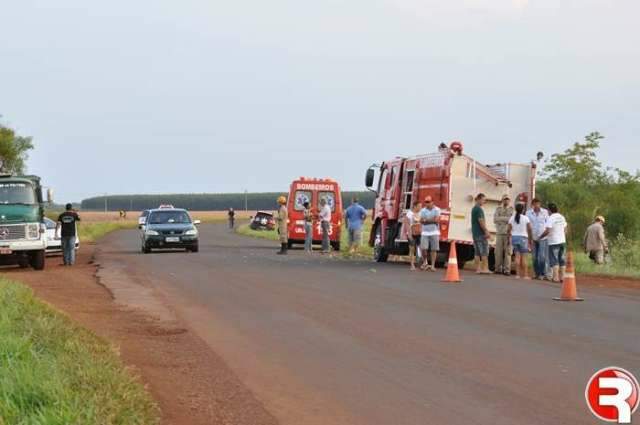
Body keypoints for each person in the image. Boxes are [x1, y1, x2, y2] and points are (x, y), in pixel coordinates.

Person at [540, 203, 568, 283]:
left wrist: (540, 237)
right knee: (562, 259)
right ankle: (562, 277)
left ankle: (555, 277)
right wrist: (562, 235)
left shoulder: (551, 218)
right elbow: (565, 228)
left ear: (549, 210)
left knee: (554, 259)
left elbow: (547, 230)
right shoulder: (561, 217)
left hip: (553, 241)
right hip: (562, 240)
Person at [526, 198, 551, 280]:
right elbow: (528, 226)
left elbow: (548, 224)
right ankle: (536, 273)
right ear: (532, 204)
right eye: (535, 204)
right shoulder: (528, 213)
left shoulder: (545, 212)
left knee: (542, 256)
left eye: (538, 204)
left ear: (540, 204)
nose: (537, 205)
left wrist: (546, 234)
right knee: (534, 257)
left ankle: (542, 273)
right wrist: (529, 239)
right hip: (533, 237)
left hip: (543, 237)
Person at [508, 203, 533, 279]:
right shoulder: (526, 218)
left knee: (517, 257)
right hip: (523, 238)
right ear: (523, 210)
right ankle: (525, 275)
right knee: (524, 257)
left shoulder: (512, 218)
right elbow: (530, 229)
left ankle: (517, 275)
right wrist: (530, 239)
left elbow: (508, 229)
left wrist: (510, 236)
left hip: (514, 237)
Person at [493, 194, 514, 275]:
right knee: (498, 252)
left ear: (509, 201)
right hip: (499, 233)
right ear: (502, 200)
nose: (506, 201)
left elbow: (511, 220)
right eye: (505, 199)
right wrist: (506, 219)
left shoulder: (512, 210)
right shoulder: (498, 209)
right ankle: (497, 268)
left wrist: (501, 218)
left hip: (509, 233)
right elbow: (495, 219)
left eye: (507, 199)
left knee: (508, 252)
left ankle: (507, 270)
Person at [471, 193, 492, 274]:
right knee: (484, 252)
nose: (484, 202)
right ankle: (485, 269)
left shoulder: (474, 208)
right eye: (483, 200)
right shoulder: (479, 209)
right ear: (479, 199)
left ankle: (478, 269)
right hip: (480, 234)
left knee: (477, 252)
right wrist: (486, 231)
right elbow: (481, 221)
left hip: (475, 233)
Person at [419, 196, 441, 271]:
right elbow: (421, 221)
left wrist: (426, 221)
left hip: (434, 232)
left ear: (432, 202)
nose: (427, 203)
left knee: (434, 249)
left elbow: (436, 220)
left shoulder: (437, 209)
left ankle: (433, 265)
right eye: (426, 202)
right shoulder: (423, 210)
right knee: (424, 248)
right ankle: (425, 262)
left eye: (428, 202)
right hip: (425, 232)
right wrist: (431, 220)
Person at [403, 202, 422, 271]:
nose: (420, 207)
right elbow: (407, 224)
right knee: (412, 249)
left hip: (419, 233)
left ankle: (421, 264)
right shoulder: (409, 214)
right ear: (415, 206)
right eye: (419, 206)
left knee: (421, 248)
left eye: (421, 206)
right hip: (412, 233)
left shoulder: (420, 213)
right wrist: (410, 235)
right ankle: (412, 265)